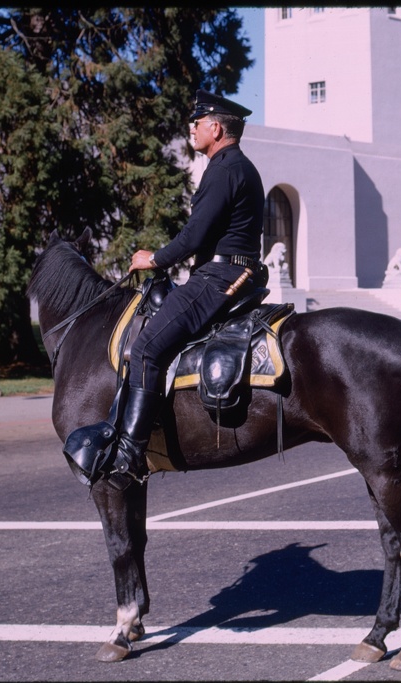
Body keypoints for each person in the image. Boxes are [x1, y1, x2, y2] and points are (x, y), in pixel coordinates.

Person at [108, 89, 266, 485]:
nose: (191, 129)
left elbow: (195, 235)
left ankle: (129, 454)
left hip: (219, 277)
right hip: (236, 271)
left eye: (196, 123)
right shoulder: (240, 166)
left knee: (145, 349)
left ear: (215, 127)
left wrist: (154, 259)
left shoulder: (224, 168)